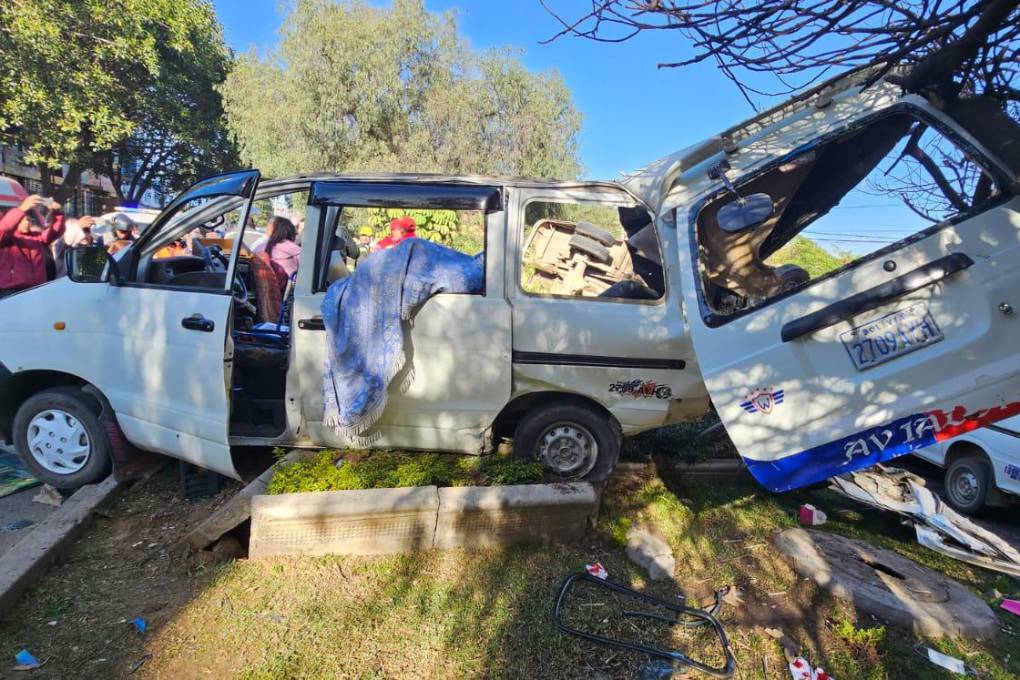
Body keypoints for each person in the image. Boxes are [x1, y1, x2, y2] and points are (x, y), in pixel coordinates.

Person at [0, 195, 65, 298]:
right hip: (10, 292)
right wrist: (22, 209)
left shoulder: (37, 237)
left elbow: (55, 232)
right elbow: (4, 227)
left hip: (36, 289)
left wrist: (58, 214)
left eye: (30, 220)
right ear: (16, 220)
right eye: (24, 219)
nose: (28, 222)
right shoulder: (6, 238)